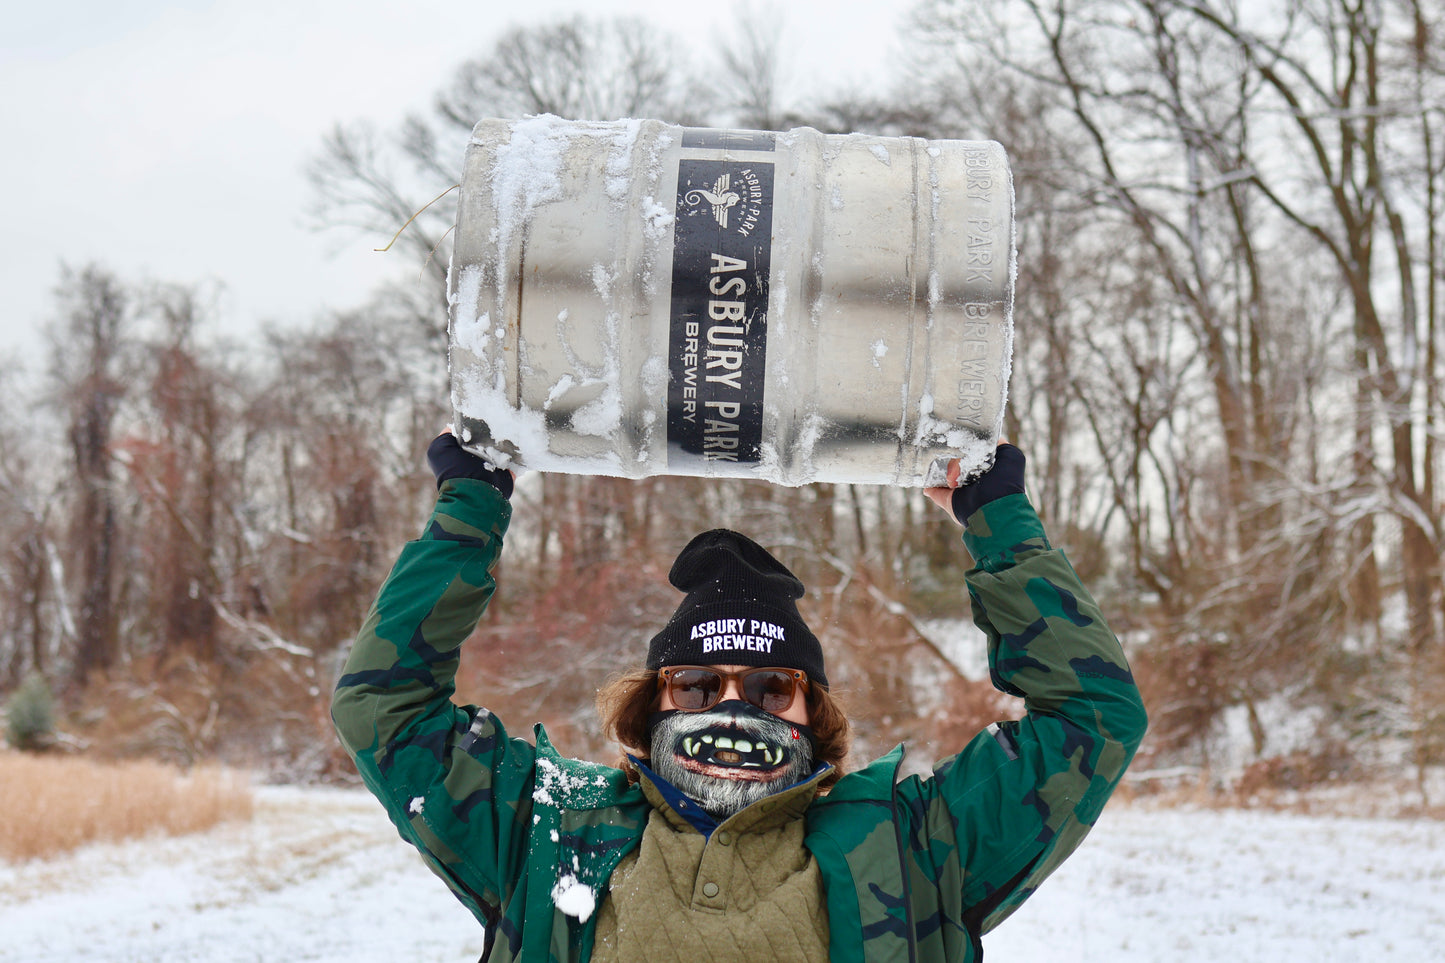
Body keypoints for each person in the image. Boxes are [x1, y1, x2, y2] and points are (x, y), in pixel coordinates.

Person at [332, 433, 1147, 962]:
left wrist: (994, 517)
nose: (734, 704)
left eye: (770, 684)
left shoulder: (918, 846)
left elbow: (1093, 719)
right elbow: (384, 708)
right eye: (695, 682)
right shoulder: (541, 826)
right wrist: (471, 508)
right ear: (653, 704)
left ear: (811, 711)